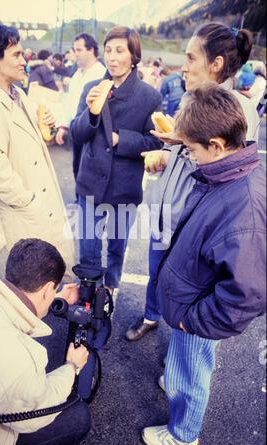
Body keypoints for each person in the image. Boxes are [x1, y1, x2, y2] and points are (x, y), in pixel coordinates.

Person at [142, 83, 266, 445]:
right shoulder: (231, 168)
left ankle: (183, 434)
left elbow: (246, 294)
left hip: (198, 309)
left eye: (193, 150)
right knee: (186, 361)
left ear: (216, 144)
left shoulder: (243, 204)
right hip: (195, 296)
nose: (191, 158)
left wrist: (193, 320)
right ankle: (177, 382)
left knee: (193, 370)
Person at [126, 23, 260, 341]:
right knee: (158, 276)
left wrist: (182, 140)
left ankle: (180, 362)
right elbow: (190, 153)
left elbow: (230, 174)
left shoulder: (238, 111)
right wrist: (167, 154)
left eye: (190, 57)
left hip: (191, 229)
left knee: (187, 298)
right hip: (166, 215)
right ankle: (151, 316)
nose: (183, 66)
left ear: (215, 64)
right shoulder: (191, 99)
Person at [0, 22, 75, 281]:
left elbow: (27, 146)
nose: (24, 59)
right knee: (22, 299)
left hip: (38, 213)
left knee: (43, 288)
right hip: (20, 217)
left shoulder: (17, 95)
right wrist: (30, 201)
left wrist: (43, 125)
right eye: (16, 54)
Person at [0, 238, 90, 445]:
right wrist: (72, 367)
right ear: (47, 289)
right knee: (79, 417)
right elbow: (34, 417)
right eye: (54, 289)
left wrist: (53, 297)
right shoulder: (23, 359)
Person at [70, 26, 162, 291]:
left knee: (116, 247)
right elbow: (77, 134)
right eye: (108, 50)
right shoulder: (92, 88)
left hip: (124, 188)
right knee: (88, 247)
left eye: (120, 50)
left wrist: (123, 140)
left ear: (134, 55)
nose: (112, 57)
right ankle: (89, 293)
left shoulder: (149, 97)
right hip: (90, 185)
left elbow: (155, 141)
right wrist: (91, 114)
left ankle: (110, 288)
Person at [55, 34, 106, 186]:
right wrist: (63, 126)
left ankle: (86, 203)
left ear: (91, 50)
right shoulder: (77, 75)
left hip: (93, 132)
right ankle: (79, 201)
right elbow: (69, 103)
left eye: (78, 50)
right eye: (74, 50)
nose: (75, 53)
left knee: (89, 170)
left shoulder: (101, 75)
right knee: (77, 166)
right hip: (76, 129)